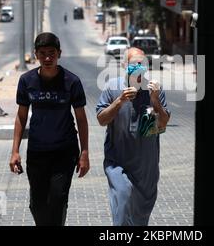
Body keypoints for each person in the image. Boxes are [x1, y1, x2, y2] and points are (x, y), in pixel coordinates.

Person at [9, 32, 90, 226]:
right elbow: (21, 116)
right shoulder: (26, 81)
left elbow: (81, 119)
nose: (47, 58)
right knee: (37, 205)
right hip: (37, 152)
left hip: (65, 151)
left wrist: (84, 152)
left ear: (59, 54)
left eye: (51, 53)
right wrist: (15, 151)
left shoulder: (72, 82)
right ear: (36, 54)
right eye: (42, 53)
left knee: (58, 200)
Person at [96, 47, 170, 226]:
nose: (138, 67)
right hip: (118, 163)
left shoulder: (155, 90)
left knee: (140, 217)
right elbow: (101, 119)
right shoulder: (113, 87)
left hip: (146, 166)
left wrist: (155, 101)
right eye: (134, 64)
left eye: (142, 63)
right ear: (125, 65)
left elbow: (163, 123)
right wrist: (120, 101)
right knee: (122, 203)